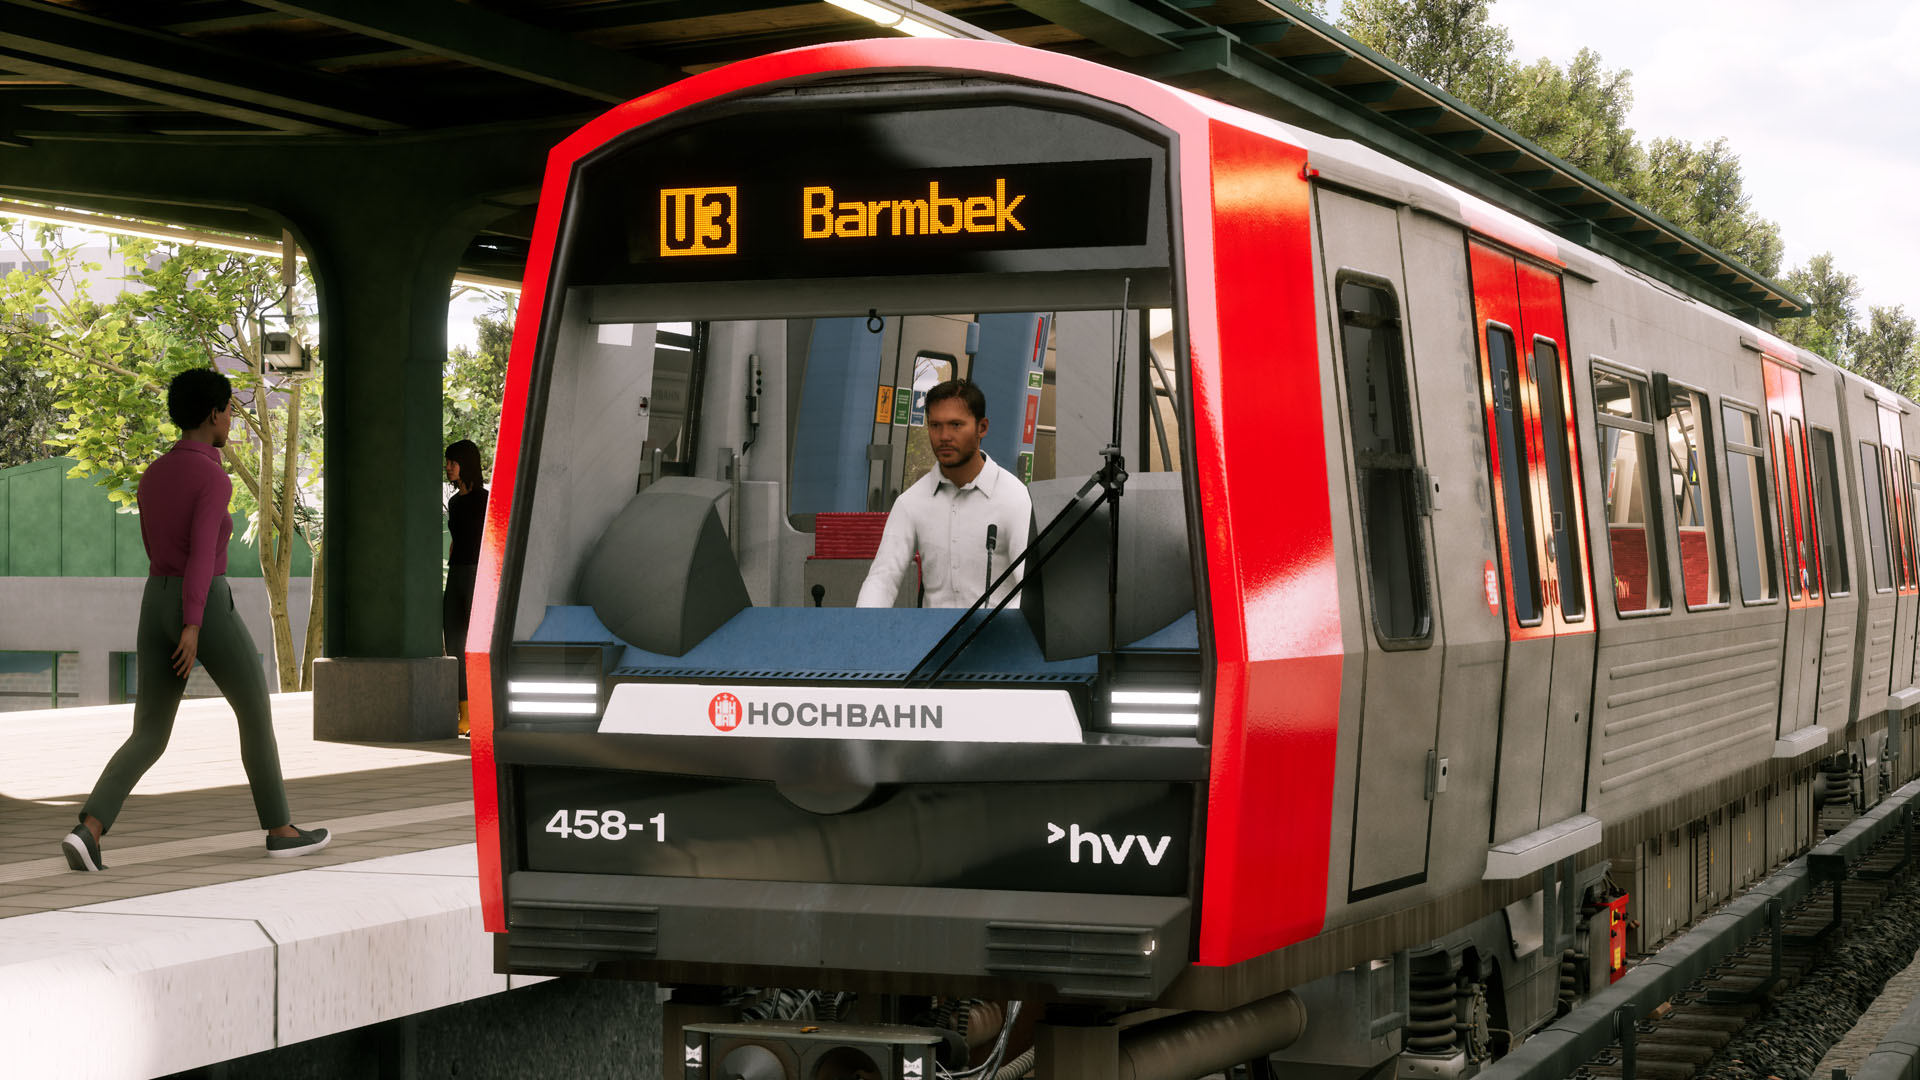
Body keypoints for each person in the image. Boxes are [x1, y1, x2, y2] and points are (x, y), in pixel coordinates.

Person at [61, 368, 330, 872]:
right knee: (254, 711)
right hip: (203, 604)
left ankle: (88, 830)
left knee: (149, 731)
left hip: (154, 599)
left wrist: (175, 613)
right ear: (212, 414)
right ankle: (280, 830)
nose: (230, 420)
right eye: (228, 411)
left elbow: (155, 546)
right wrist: (192, 622)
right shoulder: (212, 477)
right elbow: (203, 553)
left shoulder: (153, 475)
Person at [857, 379, 1031, 609]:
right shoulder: (911, 502)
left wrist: (997, 627)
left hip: (997, 630)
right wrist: (862, 627)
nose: (944, 436)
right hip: (934, 632)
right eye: (935, 425)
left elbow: (1030, 587)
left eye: (956, 425)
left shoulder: (1015, 498)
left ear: (982, 427)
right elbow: (882, 579)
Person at [444, 439, 488, 737]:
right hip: (456, 573)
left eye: (453, 462)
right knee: (455, 641)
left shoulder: (486, 500)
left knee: (478, 645)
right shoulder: (454, 502)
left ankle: (482, 712)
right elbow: (456, 541)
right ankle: (466, 714)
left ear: (466, 463)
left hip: (479, 574)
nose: (448, 467)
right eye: (447, 462)